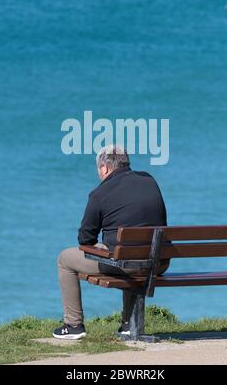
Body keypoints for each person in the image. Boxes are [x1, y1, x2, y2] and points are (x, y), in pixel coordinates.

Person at [53, 145, 168, 339]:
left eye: (99, 169)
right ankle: (128, 324)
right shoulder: (149, 180)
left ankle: (73, 325)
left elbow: (85, 239)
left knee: (65, 258)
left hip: (127, 264)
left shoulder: (99, 193)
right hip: (158, 262)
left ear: (105, 168)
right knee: (129, 252)